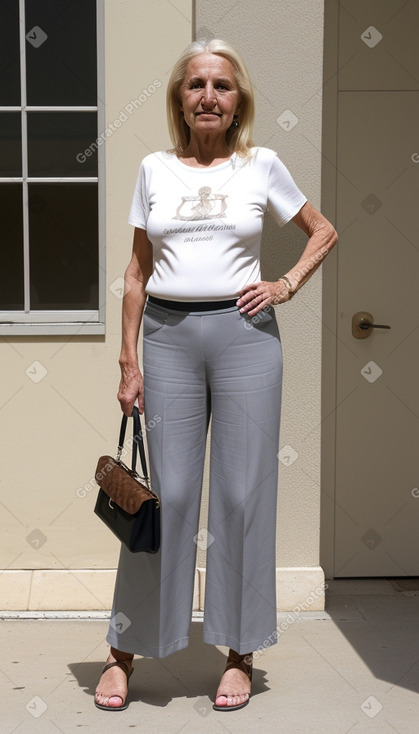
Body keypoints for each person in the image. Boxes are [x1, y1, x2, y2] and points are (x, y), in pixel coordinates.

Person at [94, 38, 337, 712]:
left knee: (241, 495)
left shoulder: (261, 166)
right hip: (168, 339)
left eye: (221, 87)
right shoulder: (153, 169)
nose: (208, 96)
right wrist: (128, 358)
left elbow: (322, 230)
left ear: (236, 105)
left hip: (245, 341)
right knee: (160, 499)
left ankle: (239, 650)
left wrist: (284, 284)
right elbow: (137, 273)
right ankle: (122, 652)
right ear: (180, 98)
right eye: (196, 84)